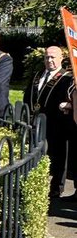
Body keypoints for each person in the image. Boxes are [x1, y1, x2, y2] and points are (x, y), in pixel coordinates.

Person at [29, 46, 71, 200]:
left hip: (57, 123)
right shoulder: (38, 75)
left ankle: (56, 189)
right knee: (37, 154)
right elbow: (29, 95)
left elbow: (71, 98)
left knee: (58, 155)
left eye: (53, 57)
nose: (50, 60)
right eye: (47, 57)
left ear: (61, 58)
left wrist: (68, 104)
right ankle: (38, 185)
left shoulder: (67, 77)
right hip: (37, 121)